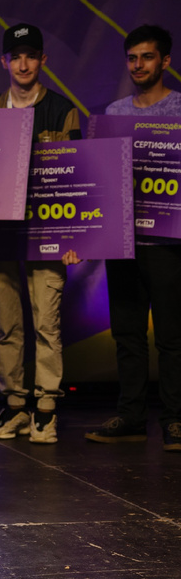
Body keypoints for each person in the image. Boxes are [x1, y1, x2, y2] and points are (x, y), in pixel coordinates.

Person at [0, 23, 81, 445]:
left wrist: (76, 237)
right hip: (1, 233)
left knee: (47, 323)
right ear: (4, 61)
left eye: (31, 56)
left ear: (43, 60)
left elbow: (76, 177)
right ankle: (16, 403)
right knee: (7, 323)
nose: (23, 64)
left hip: (48, 230)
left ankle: (46, 406)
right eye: (16, 57)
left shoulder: (62, 110)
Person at [86, 24, 181, 451]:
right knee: (127, 335)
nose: (138, 65)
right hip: (122, 241)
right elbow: (103, 178)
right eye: (132, 58)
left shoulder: (178, 109)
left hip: (168, 245)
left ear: (165, 61)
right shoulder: (115, 112)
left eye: (147, 57)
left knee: (172, 337)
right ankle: (131, 416)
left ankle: (175, 420)